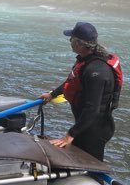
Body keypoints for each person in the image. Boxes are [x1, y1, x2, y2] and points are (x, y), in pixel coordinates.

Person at [40, 21, 123, 161]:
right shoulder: (87, 60)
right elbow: (72, 81)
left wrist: (70, 135)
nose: (69, 41)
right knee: (76, 159)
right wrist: (52, 94)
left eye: (71, 39)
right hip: (84, 125)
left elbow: (92, 109)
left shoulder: (96, 71)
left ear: (78, 44)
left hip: (94, 130)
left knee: (91, 167)